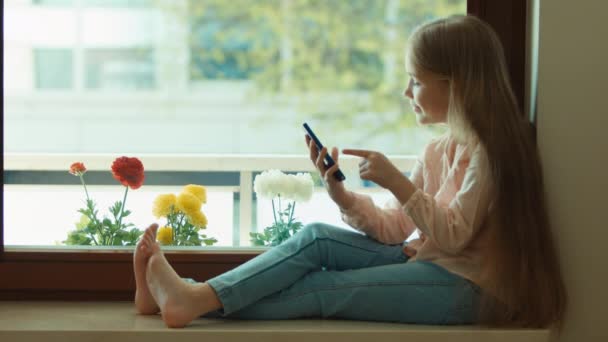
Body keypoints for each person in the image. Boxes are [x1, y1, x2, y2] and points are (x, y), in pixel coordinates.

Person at [133, 15, 566, 329]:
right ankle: (183, 296)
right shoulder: (440, 149)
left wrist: (395, 179)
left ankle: (188, 296)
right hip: (430, 261)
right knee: (318, 238)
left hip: (467, 289)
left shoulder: (493, 154)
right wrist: (340, 193)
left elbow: (454, 234)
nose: (406, 92)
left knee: (325, 289)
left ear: (456, 84)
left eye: (416, 80)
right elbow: (398, 227)